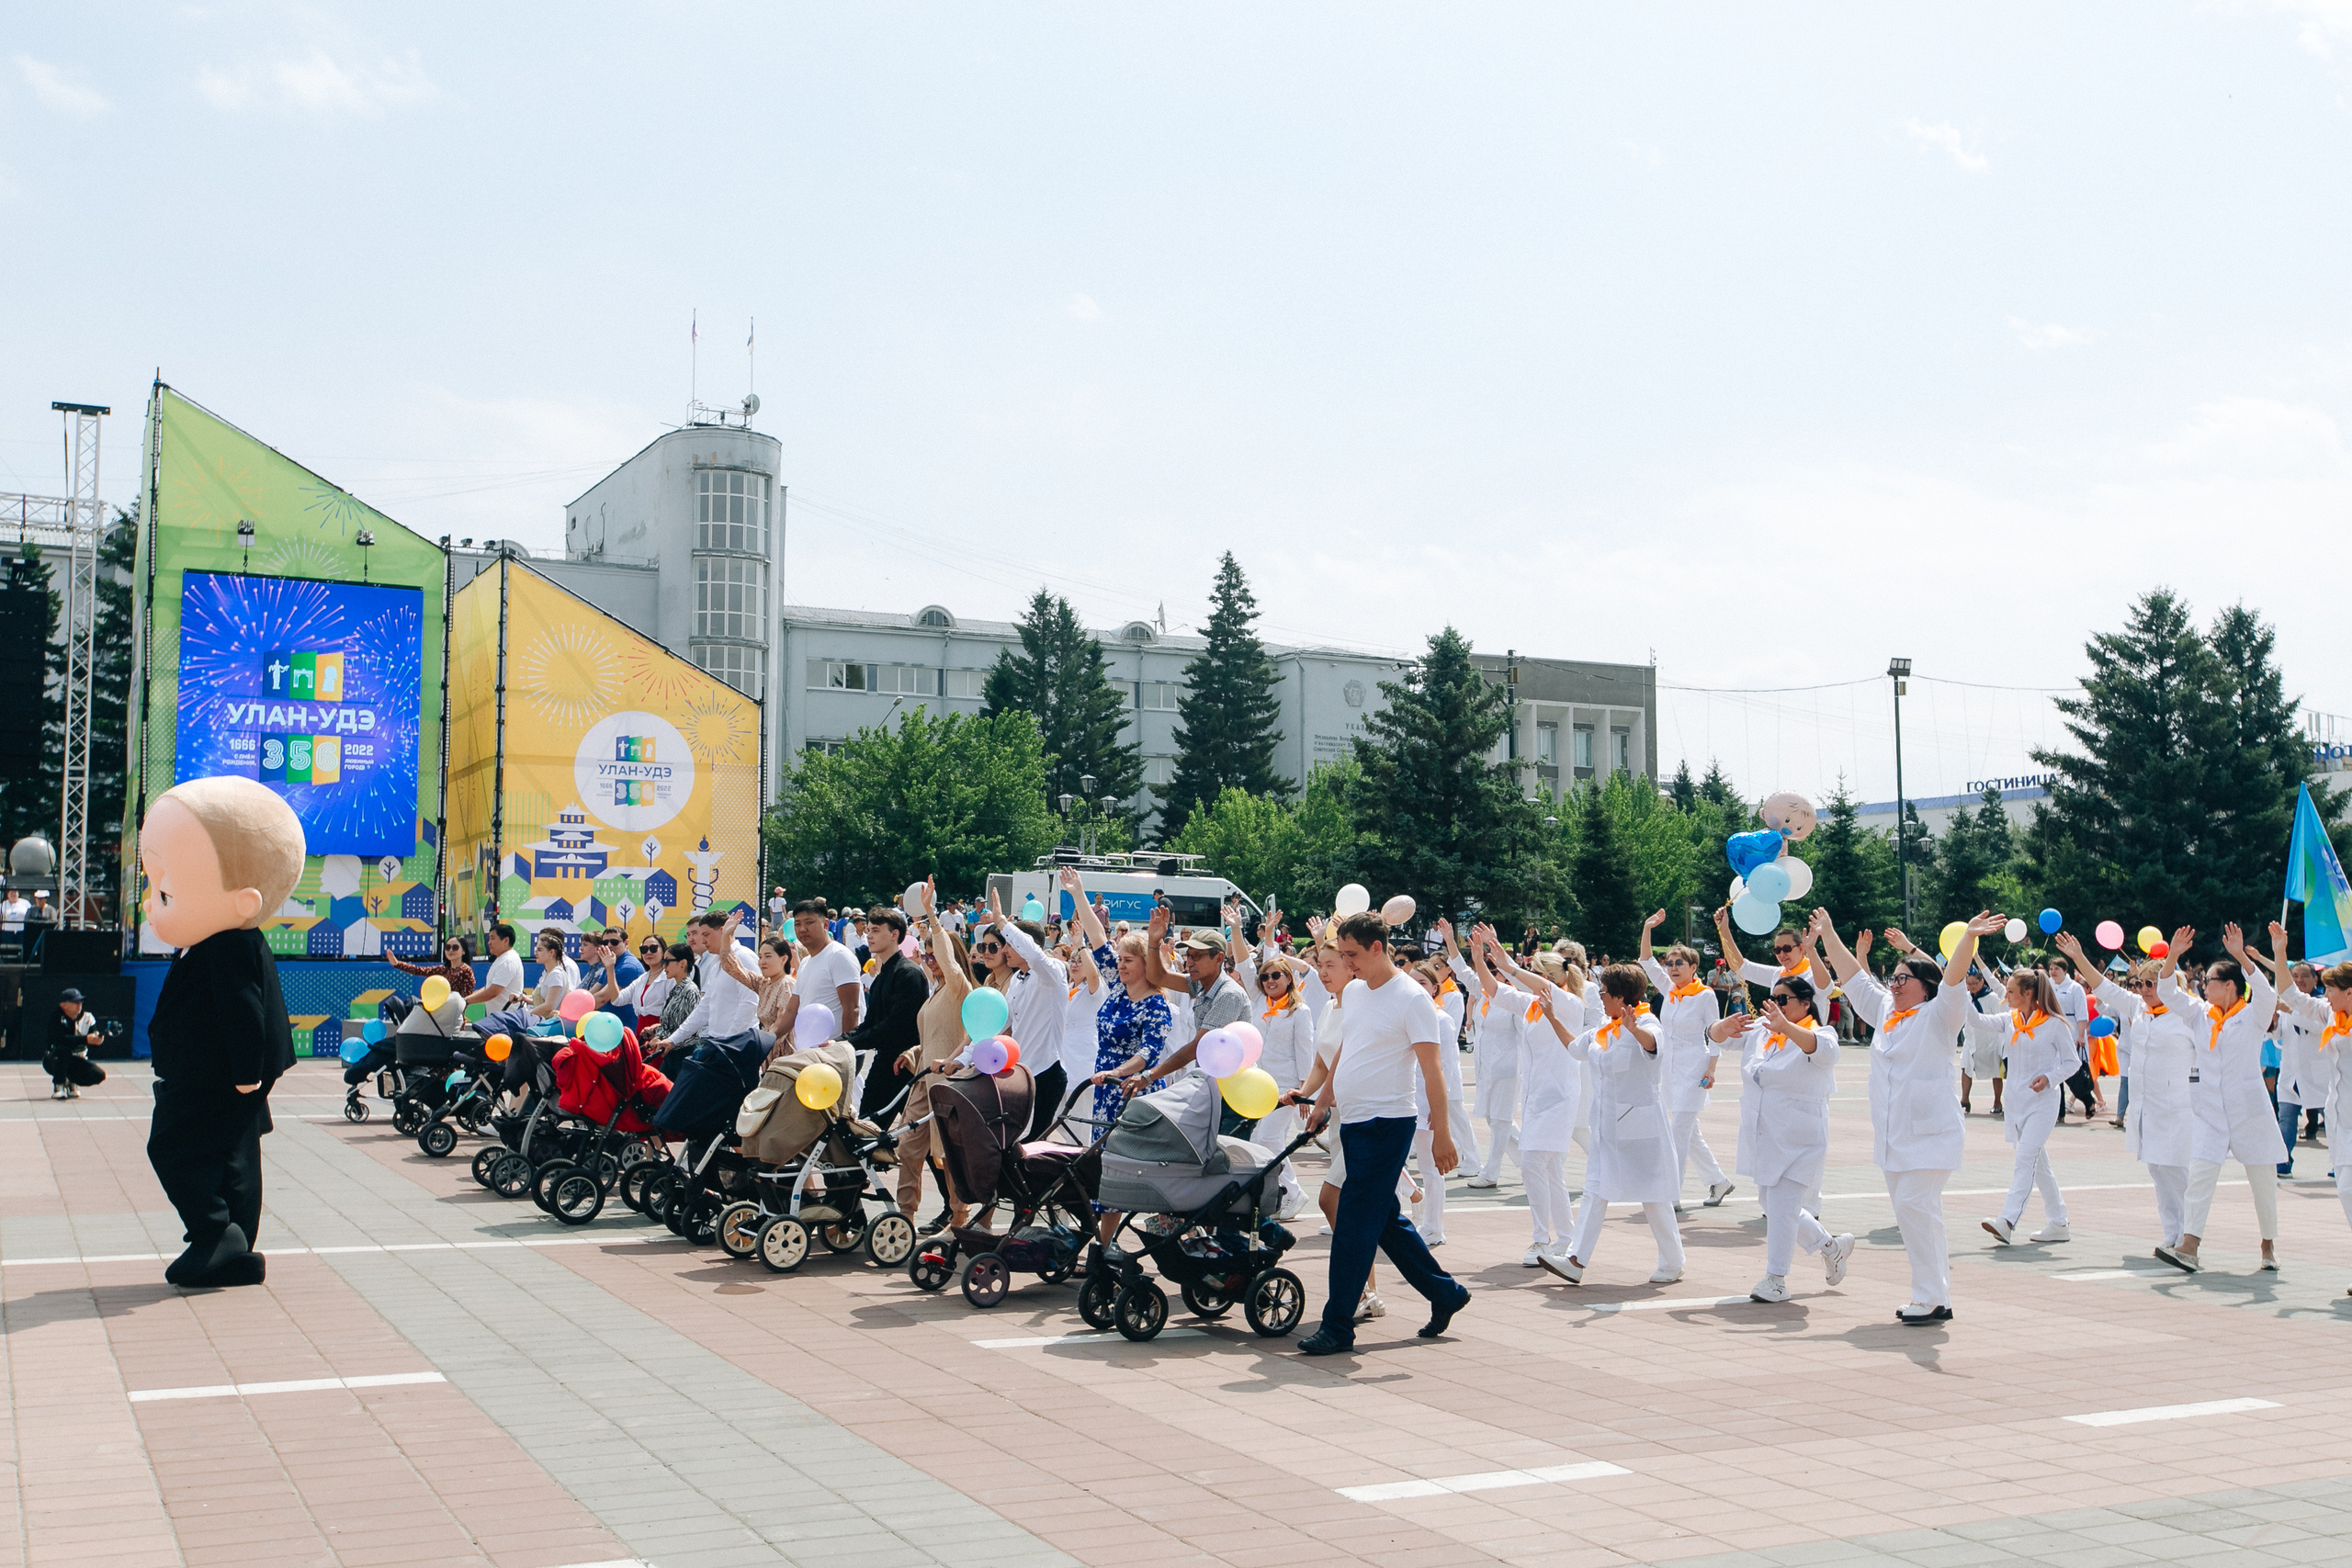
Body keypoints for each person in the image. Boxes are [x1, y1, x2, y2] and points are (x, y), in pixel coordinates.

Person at [137, 775, 304, 1290]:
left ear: (242, 901)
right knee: (233, 1155)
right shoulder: (219, 941)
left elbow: (243, 1010)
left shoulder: (229, 944)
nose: (151, 902)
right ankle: (235, 1250)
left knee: (172, 1146)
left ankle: (215, 1231)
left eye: (163, 891)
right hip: (221, 1070)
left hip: (218, 1073)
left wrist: (246, 1071)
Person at [1285, 912, 1469, 1354]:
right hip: (1354, 1121)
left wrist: (1441, 1133)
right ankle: (1445, 1292)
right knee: (1384, 1221)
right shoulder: (1355, 992)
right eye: (1341, 954)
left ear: (1376, 948)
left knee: (1352, 1224)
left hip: (1388, 1124)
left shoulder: (1412, 999)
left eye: (1351, 955)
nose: (1345, 964)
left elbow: (1433, 1072)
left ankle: (1337, 1327)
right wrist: (1324, 1102)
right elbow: (1347, 1051)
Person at [1817, 906, 2000, 1325]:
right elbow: (1852, 976)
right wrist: (1829, 932)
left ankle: (1932, 1295)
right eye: (1894, 978)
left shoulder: (1940, 1014)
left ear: (1925, 986)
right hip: (1893, 1135)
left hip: (1931, 1134)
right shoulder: (1885, 1010)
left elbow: (1953, 979)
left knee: (1916, 1206)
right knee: (1914, 1213)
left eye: (1904, 978)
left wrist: (1968, 939)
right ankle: (1935, 1295)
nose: (1895, 984)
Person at [1529, 962, 1683, 1287]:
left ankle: (1673, 1260)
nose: (1598, 996)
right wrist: (1552, 1017)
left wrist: (1633, 1029)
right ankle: (1576, 1259)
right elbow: (1575, 1048)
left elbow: (1653, 1044)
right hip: (1605, 1127)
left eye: (1603, 992)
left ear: (1620, 996)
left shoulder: (1646, 1021)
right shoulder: (1603, 1027)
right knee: (1595, 1190)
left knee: (1653, 1195)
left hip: (1640, 1129)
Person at [2154, 922, 2290, 1273]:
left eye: (2210, 981)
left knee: (2262, 1183)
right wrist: (2173, 953)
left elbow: (2267, 994)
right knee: (2200, 1175)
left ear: (2229, 985)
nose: (2204, 986)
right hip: (2210, 1112)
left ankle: (2268, 1244)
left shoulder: (2252, 1015)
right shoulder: (2200, 1014)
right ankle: (2189, 1246)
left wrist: (2240, 956)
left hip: (2250, 1112)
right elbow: (2168, 992)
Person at [1709, 975, 1851, 1301]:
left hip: (1801, 1139)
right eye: (1772, 998)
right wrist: (1722, 1026)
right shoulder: (1761, 1032)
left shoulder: (1820, 1033)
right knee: (1772, 1205)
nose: (1775, 1006)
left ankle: (1776, 1279)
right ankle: (1831, 1246)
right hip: (1763, 1135)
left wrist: (1785, 1026)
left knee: (1784, 1205)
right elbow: (1717, 1038)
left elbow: (1823, 1052)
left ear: (1805, 1003)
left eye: (1783, 999)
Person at [2063, 932, 2193, 1254]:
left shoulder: (2189, 1014)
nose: (2144, 990)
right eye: (2140, 984)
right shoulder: (2138, 1009)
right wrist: (2079, 957)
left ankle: (2190, 1235)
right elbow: (2106, 988)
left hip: (2178, 1107)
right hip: (2146, 1106)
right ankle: (2171, 1232)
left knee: (2178, 1172)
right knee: (2157, 1170)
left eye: (2151, 984)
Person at [1485, 928, 1583, 1269]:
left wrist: (1509, 965)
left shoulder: (1571, 1004)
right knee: (1551, 1168)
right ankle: (1567, 1237)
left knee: (1531, 1163)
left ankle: (1542, 1238)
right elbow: (1495, 991)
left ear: (1553, 979)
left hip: (1558, 1097)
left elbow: (1528, 983)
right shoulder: (1529, 1005)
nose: (1531, 981)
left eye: (1538, 974)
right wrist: (1481, 960)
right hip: (1536, 1098)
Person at [1970, 953, 2076, 1247]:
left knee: (2025, 1159)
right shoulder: (2009, 1019)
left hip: (2042, 1103)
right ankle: (2059, 1222)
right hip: (2016, 1103)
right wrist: (1957, 992)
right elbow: (1978, 1020)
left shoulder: (2054, 1024)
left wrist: (2050, 1078)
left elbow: (2072, 1062)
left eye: (2012, 991)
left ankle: (2007, 1220)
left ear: (2028, 994)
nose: (2007, 994)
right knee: (2038, 1166)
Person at [1637, 910, 1733, 1211]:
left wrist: (1712, 1069)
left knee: (1677, 1132)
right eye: (1670, 963)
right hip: (1669, 1069)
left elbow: (1715, 1034)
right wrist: (1647, 927)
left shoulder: (1705, 996)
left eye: (1680, 963)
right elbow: (1645, 961)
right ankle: (1718, 1180)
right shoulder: (1669, 991)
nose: (1673, 967)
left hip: (1695, 1069)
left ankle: (1671, 1195)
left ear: (1694, 967)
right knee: (1689, 1132)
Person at [897, 897, 977, 1234]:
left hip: (949, 1083)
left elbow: (947, 957)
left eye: (934, 955)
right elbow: (934, 1036)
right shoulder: (937, 990)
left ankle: (959, 1218)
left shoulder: (959, 987)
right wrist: (913, 1053)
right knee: (907, 1147)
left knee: (948, 1156)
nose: (929, 960)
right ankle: (905, 1217)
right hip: (923, 1080)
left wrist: (930, 915)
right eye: (925, 955)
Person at [974, 875, 1073, 1137]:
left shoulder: (1052, 973)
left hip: (1047, 1074)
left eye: (1009, 943)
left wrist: (1003, 922)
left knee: (1032, 1148)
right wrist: (962, 1059)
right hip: (1021, 1076)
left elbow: (1034, 953)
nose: (1004, 949)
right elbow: (998, 1026)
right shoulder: (1017, 979)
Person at [2278, 960, 2352, 1291]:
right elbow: (2292, 997)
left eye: (2332, 989)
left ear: (2349, 993)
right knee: (2346, 1191)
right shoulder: (2331, 1014)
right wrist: (2279, 953)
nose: (2326, 994)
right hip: (2339, 1121)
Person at [1453, 923, 1522, 1190]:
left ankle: (1491, 1171)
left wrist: (1497, 953)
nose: (1490, 975)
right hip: (1486, 1066)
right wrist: (1452, 941)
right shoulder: (1483, 996)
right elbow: (1463, 971)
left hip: (1508, 1067)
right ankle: (1529, 1160)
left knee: (1502, 1119)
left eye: (1496, 972)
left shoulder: (1515, 999)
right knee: (1495, 1119)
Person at [842, 907, 924, 1118]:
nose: (868, 935)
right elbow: (870, 1023)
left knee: (911, 1141)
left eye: (876, 930)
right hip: (885, 1063)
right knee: (867, 1131)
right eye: (868, 930)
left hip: (906, 1065)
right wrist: (840, 1042)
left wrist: (849, 1043)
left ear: (894, 934)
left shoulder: (908, 974)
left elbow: (895, 1027)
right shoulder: (881, 977)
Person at [781, 899, 863, 1044]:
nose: (802, 929)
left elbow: (852, 1009)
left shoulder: (839, 955)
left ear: (825, 924)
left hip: (834, 1053)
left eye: (809, 922)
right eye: (798, 924)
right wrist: (768, 1038)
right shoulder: (805, 962)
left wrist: (844, 1048)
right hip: (810, 1050)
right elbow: (791, 1010)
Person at [2274, 961, 2324, 1177]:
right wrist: (2274, 1021)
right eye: (2294, 976)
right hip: (2290, 1072)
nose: (2299, 981)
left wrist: (2291, 1009)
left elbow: (2317, 1027)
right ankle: (2284, 1161)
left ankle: (2342, 1161)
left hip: (2319, 1070)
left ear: (2315, 980)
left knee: (2333, 1118)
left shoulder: (2322, 1003)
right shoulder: (2287, 1003)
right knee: (2286, 1118)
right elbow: (2278, 1035)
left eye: (2304, 976)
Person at [1958, 963, 2007, 1117]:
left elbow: (2000, 1018)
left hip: (1990, 1040)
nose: (1971, 987)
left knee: (1995, 1071)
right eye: (1969, 984)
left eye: (1974, 983)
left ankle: (1997, 1101)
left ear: (1982, 981)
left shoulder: (1992, 998)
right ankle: (1965, 1099)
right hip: (1971, 1039)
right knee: (1966, 1067)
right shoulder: (1966, 997)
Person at [46, 987, 102, 1099]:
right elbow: (60, 1039)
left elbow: (93, 1037)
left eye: (80, 1001)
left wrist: (97, 1040)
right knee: (63, 1050)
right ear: (64, 1005)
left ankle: (72, 1082)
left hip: (78, 1058)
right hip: (54, 1059)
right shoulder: (56, 1017)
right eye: (75, 1002)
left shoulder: (88, 1018)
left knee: (98, 1075)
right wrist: (85, 1039)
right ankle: (59, 1084)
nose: (79, 1005)